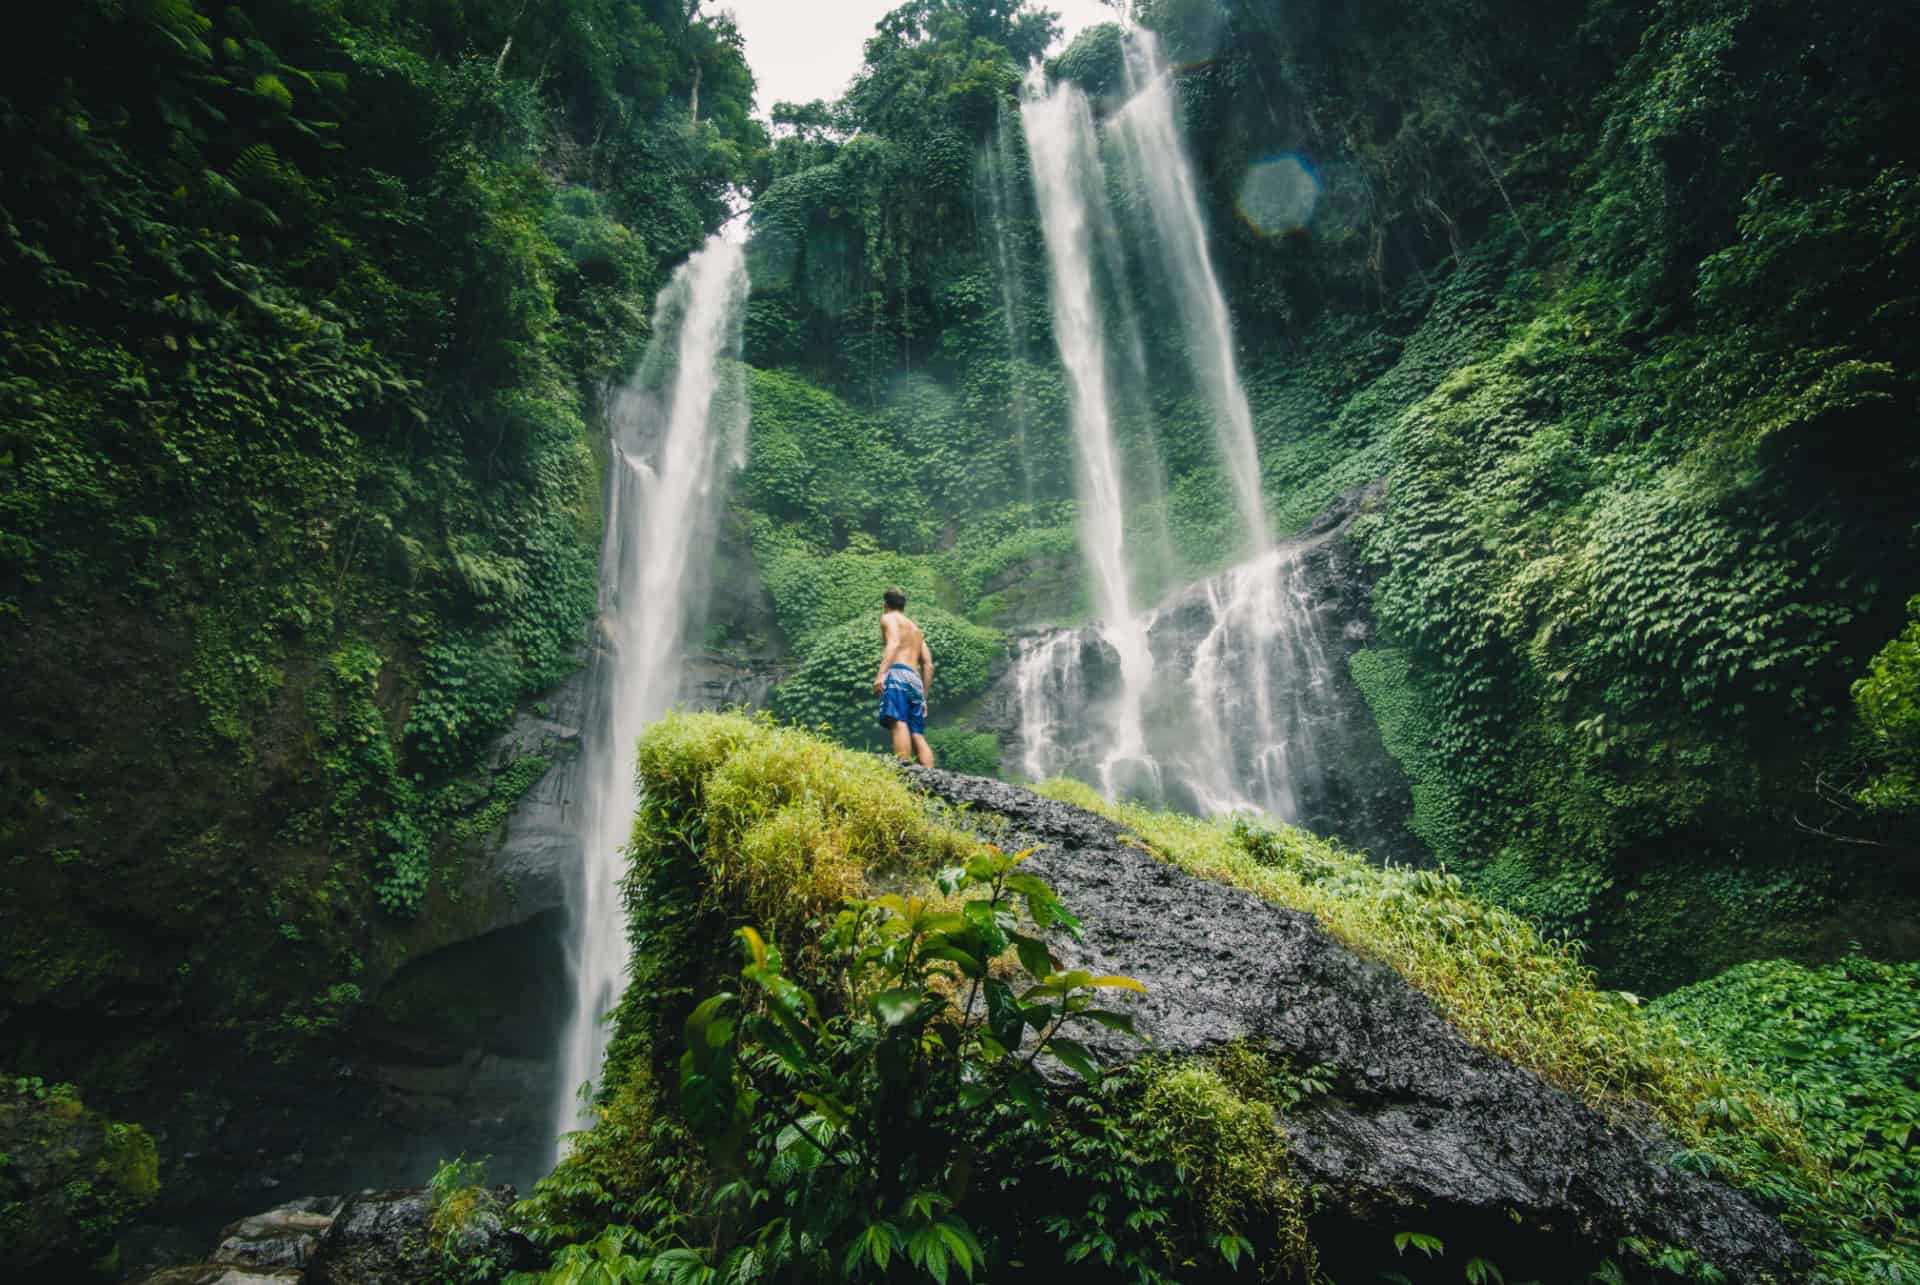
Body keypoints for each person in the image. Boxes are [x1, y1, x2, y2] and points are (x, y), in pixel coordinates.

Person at [873, 586, 935, 768]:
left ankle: (905, 771)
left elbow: (893, 643)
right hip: (915, 680)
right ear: (903, 606)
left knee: (898, 722)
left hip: (898, 673)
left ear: (885, 604)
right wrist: (924, 697)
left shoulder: (888, 618)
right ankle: (932, 777)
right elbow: (928, 664)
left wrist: (881, 674)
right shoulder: (916, 630)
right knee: (917, 732)